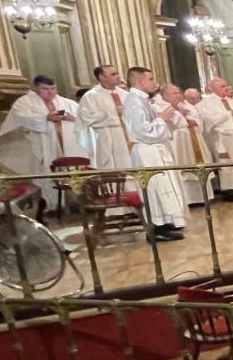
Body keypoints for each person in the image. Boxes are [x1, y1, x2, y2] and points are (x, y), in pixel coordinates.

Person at [0, 75, 87, 211]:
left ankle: (75, 203)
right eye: (45, 89)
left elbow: (83, 118)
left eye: (53, 88)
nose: (50, 92)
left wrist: (72, 118)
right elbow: (20, 119)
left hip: (68, 146)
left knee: (73, 172)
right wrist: (45, 118)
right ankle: (52, 206)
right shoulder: (24, 102)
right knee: (45, 172)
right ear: (35, 88)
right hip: (42, 145)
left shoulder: (67, 103)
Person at [122, 68, 187, 242]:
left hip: (153, 150)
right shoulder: (134, 101)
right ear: (139, 82)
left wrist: (159, 117)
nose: (154, 83)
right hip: (146, 150)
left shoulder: (141, 99)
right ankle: (156, 228)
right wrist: (161, 119)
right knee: (154, 189)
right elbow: (142, 130)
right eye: (150, 79)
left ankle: (165, 225)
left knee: (162, 188)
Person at [195, 77, 233, 200]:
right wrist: (230, 114)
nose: (226, 88)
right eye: (222, 87)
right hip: (223, 137)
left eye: (226, 85)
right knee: (227, 162)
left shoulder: (232, 101)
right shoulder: (207, 103)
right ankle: (229, 189)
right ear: (212, 89)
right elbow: (209, 119)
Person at [154, 84, 208, 206]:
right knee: (182, 168)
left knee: (197, 166)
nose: (179, 95)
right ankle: (187, 200)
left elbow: (200, 120)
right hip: (176, 142)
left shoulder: (187, 106)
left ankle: (201, 197)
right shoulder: (160, 107)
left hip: (193, 138)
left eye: (179, 92)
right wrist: (182, 117)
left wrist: (194, 121)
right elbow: (176, 123)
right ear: (165, 95)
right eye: (175, 93)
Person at [76, 64, 132, 170]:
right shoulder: (91, 96)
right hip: (106, 136)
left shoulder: (125, 94)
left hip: (129, 136)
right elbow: (87, 118)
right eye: (113, 74)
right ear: (102, 77)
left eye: (117, 73)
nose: (118, 76)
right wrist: (112, 114)